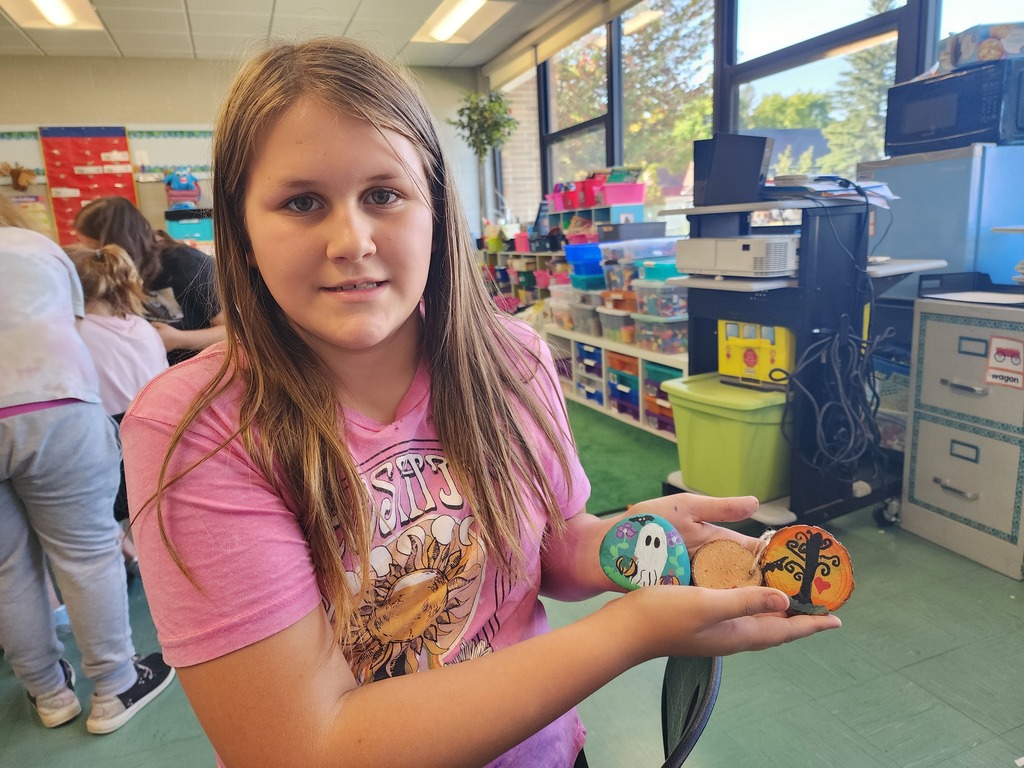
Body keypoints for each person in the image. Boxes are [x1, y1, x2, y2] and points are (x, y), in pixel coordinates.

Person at [122, 38, 840, 768]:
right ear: (240, 234)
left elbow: (552, 550)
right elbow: (302, 745)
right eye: (302, 202)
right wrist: (629, 632)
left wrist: (637, 541)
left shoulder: (511, 360)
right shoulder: (197, 432)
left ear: (434, 208)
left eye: (383, 194)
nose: (353, 240)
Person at [0, 194, 175, 733]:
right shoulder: (36, 248)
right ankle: (116, 685)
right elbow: (66, 326)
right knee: (86, 552)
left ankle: (48, 692)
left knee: (7, 567)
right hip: (54, 405)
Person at [69, 243, 169, 569]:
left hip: (110, 433)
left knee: (101, 507)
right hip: (159, 426)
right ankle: (145, 553)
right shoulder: (142, 326)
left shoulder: (76, 331)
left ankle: (124, 551)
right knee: (144, 504)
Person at [72, 196, 225, 364]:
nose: (94, 257)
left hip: (196, 371)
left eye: (96, 249)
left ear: (119, 242)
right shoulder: (116, 270)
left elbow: (233, 333)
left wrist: (180, 339)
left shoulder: (185, 262)